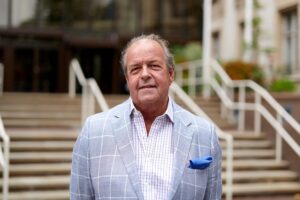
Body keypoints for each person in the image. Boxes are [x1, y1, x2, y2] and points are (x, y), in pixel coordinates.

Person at [70, 34, 222, 200]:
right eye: (135, 69)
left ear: (171, 74)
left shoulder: (205, 134)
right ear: (128, 80)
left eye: (154, 66)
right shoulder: (93, 131)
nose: (144, 74)